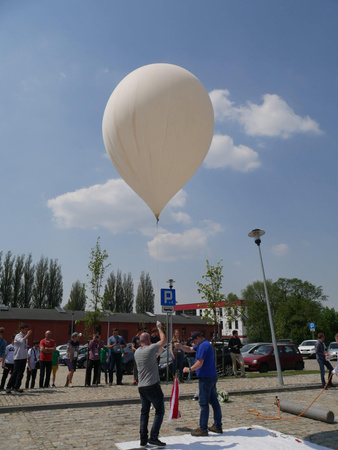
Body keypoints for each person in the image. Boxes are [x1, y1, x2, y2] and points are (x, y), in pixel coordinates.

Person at [178, 330, 222, 436]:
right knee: (214, 402)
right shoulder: (204, 344)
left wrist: (189, 369)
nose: (193, 343)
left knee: (203, 403)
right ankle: (217, 426)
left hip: (206, 378)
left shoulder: (203, 346)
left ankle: (203, 429)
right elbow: (189, 349)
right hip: (211, 377)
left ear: (198, 338)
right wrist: (180, 346)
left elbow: (199, 363)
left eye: (193, 340)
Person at [134, 321, 166, 448]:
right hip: (152, 385)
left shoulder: (137, 352)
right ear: (148, 340)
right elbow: (163, 339)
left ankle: (143, 439)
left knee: (144, 413)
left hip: (141, 387)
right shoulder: (151, 347)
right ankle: (153, 437)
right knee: (159, 411)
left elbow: (150, 359)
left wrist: (159, 353)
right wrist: (159, 328)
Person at [6, 324, 32, 393]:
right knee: (15, 372)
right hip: (18, 357)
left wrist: (26, 356)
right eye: (25, 329)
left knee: (21, 373)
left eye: (27, 329)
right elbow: (21, 341)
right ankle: (8, 387)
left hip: (23, 357)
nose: (27, 331)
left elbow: (25, 346)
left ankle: (16, 387)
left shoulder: (25, 337)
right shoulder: (18, 336)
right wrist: (28, 335)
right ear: (21, 329)